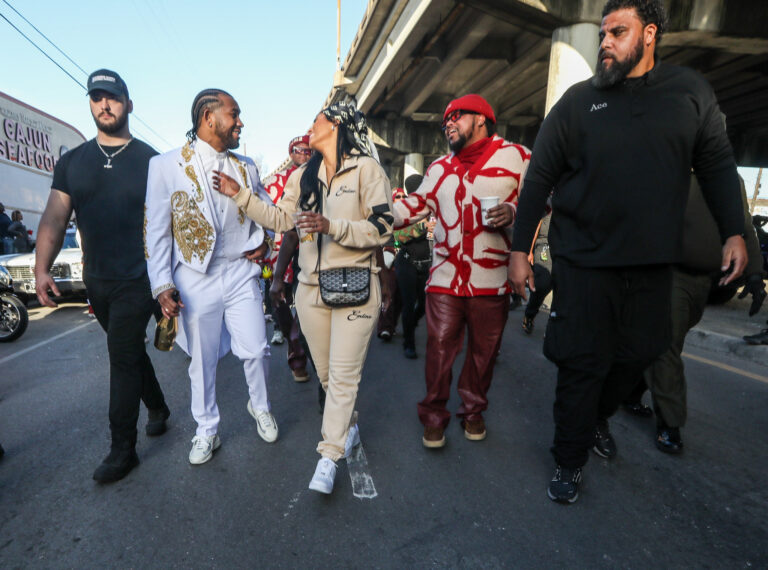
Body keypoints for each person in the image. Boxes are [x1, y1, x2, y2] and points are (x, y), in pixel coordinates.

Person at [508, 0, 747, 504]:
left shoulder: (688, 93)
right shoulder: (577, 102)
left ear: (651, 35)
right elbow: (538, 183)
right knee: (580, 363)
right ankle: (569, 460)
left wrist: (734, 232)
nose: (606, 42)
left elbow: (719, 168)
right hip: (584, 261)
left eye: (618, 31)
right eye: (602, 34)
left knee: (642, 352)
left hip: (653, 263)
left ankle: (598, 414)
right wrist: (520, 250)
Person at [212, 101, 393, 495]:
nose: (310, 127)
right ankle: (349, 426)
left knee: (344, 378)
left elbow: (382, 228)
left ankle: (328, 456)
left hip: (357, 287)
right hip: (310, 291)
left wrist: (333, 226)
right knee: (329, 379)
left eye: (316, 121)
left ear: (336, 126)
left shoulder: (366, 170)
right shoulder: (302, 176)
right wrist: (239, 195)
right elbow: (281, 221)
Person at [34, 69, 170, 483]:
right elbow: (55, 218)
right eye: (96, 98)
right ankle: (159, 406)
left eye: (112, 97)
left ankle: (121, 449)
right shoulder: (72, 163)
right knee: (127, 350)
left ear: (128, 104)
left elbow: (173, 223)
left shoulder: (153, 161)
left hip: (140, 276)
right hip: (98, 280)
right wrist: (42, 268)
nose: (104, 105)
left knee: (122, 356)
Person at [144, 88, 278, 466]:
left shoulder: (247, 166)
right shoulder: (165, 166)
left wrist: (266, 242)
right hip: (194, 277)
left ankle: (260, 406)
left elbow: (266, 210)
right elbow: (155, 230)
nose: (240, 122)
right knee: (202, 361)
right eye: (234, 114)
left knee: (256, 347)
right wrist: (162, 284)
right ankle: (207, 431)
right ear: (208, 117)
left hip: (239, 270)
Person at [392, 94, 526, 448]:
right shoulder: (438, 169)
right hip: (445, 279)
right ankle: (434, 415)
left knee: (484, 353)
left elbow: (541, 196)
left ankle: (473, 411)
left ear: (481, 119)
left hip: (491, 279)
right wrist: (368, 204)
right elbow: (409, 209)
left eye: (456, 116)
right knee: (438, 347)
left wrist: (513, 210)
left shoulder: (517, 157)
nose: (448, 123)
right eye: (445, 120)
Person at [618, 176, 764, 454]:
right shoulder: (669, 164)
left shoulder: (730, 178)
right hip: (666, 275)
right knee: (666, 344)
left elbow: (743, 225)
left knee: (665, 343)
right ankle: (670, 423)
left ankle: (629, 391)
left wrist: (755, 274)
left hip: (704, 281)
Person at [263, 135, 312, 382]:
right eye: (299, 150)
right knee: (281, 306)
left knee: (305, 310)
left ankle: (301, 356)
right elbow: (261, 216)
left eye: (309, 151)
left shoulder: (318, 178)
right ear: (290, 152)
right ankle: (296, 356)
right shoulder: (272, 182)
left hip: (307, 250)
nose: (304, 154)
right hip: (277, 253)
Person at [392, 176, 431, 358]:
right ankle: (409, 344)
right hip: (407, 262)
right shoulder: (402, 209)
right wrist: (423, 227)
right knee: (408, 304)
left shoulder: (432, 206)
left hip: (427, 264)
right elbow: (397, 236)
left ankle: (411, 324)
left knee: (424, 305)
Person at [521, 215, 553, 335]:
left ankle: (553, 327)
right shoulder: (547, 203)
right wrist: (529, 252)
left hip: (563, 245)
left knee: (562, 286)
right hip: (544, 245)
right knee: (543, 284)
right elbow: (536, 227)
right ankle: (529, 314)